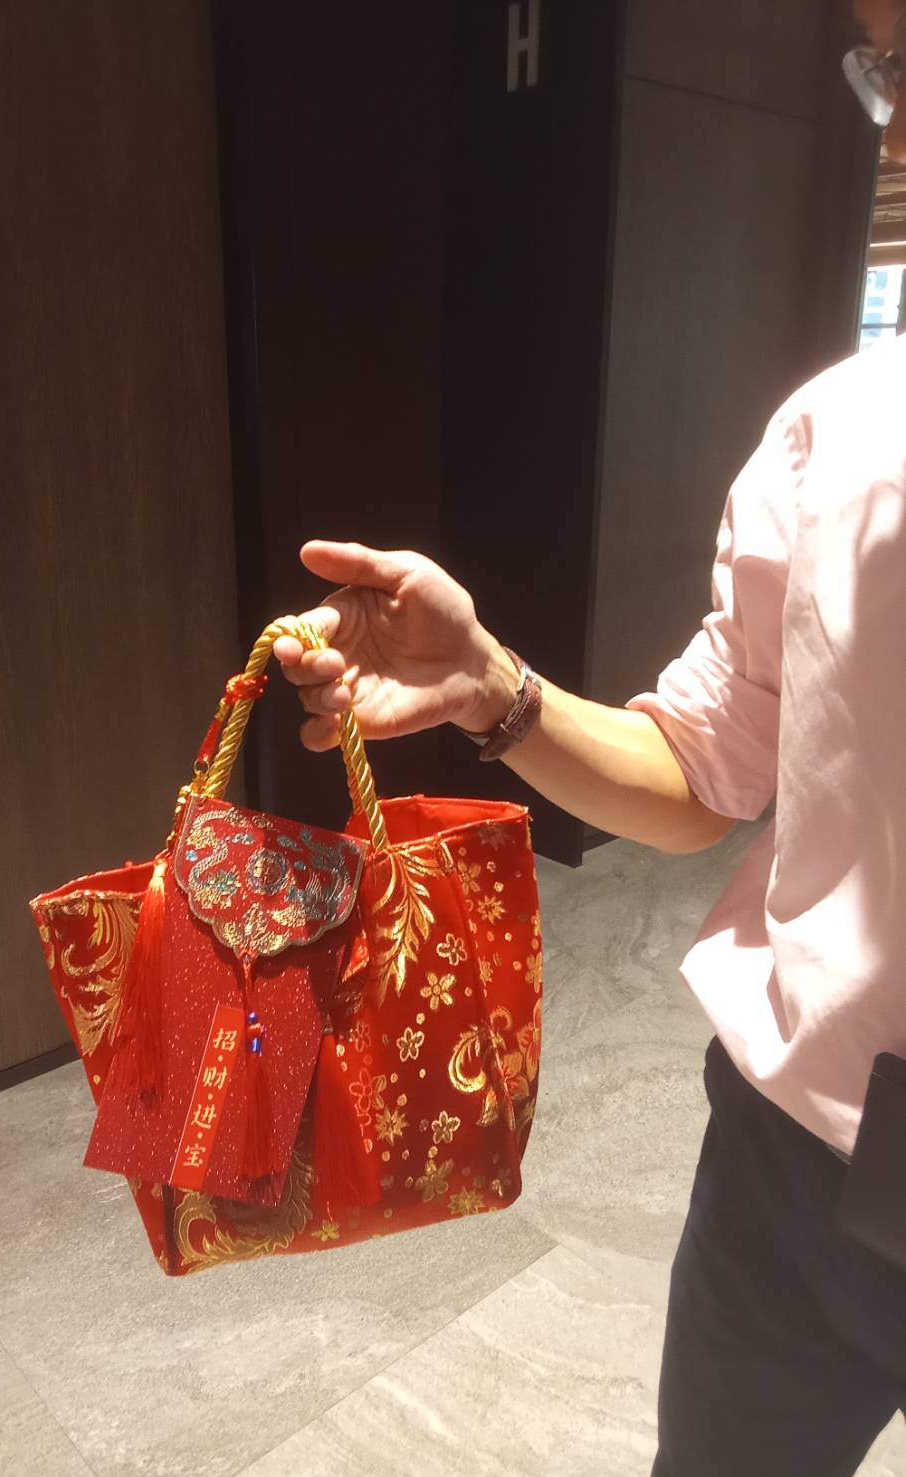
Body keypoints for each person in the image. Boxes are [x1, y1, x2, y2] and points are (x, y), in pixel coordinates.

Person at [273, 6, 906, 1472]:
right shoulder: (837, 433)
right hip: (797, 1162)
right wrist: (492, 685)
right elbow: (701, 769)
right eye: (887, 62)